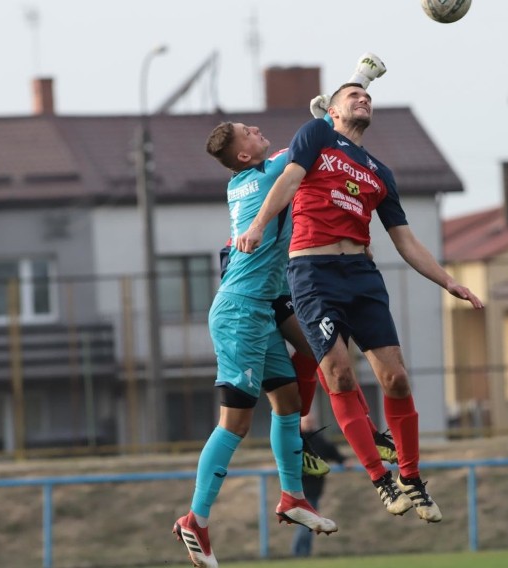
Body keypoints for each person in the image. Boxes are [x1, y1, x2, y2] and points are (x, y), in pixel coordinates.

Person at [173, 53, 390, 568]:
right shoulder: (266, 174)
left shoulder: (247, 179)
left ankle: (293, 499)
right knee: (235, 423)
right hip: (242, 313)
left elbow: (319, 142)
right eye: (246, 132)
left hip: (264, 307)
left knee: (290, 399)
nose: (254, 128)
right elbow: (321, 136)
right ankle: (195, 521)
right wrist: (359, 78)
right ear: (245, 157)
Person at [237, 82, 484, 523]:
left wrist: (448, 281)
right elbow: (290, 180)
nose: (362, 99)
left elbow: (404, 240)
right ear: (331, 111)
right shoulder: (316, 135)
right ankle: (379, 478)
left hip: (362, 276)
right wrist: (258, 225)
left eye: (366, 96)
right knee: (340, 372)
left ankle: (411, 477)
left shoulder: (380, 172)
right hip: (313, 272)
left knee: (396, 379)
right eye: (352, 95)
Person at [291, 413, 347, 557]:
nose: (309, 424)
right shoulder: (295, 441)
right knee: (307, 523)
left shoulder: (319, 440)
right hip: (298, 489)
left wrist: (343, 461)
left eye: (311, 421)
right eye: (306, 421)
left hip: (314, 489)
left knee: (308, 523)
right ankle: (299, 553)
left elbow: (333, 452)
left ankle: (302, 553)